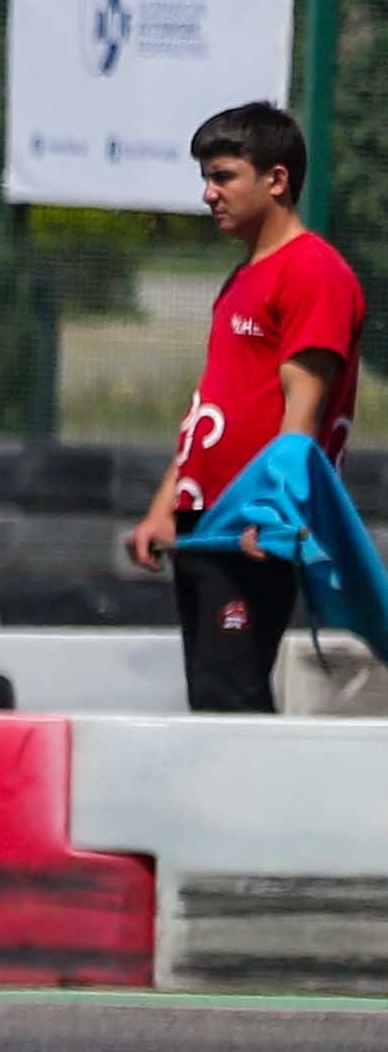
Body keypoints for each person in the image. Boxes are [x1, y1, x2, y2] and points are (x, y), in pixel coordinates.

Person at [125, 104, 361, 709]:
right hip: (206, 526)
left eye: (223, 176)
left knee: (231, 698)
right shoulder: (242, 278)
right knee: (212, 696)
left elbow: (302, 413)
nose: (208, 194)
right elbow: (211, 407)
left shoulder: (312, 271)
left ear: (276, 179)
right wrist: (165, 508)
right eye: (205, 178)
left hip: (252, 528)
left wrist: (275, 516)